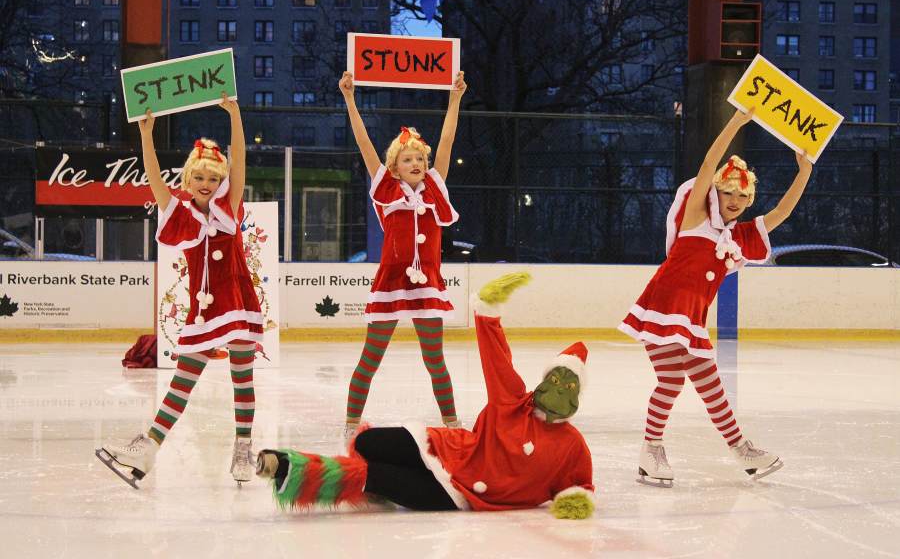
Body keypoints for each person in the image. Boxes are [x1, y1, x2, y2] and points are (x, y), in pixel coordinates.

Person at [256, 273, 596, 520]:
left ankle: (291, 469)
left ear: (577, 398)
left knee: (374, 474)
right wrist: (488, 312)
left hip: (455, 494)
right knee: (368, 443)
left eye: (569, 386)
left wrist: (575, 498)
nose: (558, 389)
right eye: (555, 379)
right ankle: (369, 480)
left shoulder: (572, 445)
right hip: (448, 449)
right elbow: (497, 359)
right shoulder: (514, 402)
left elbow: (581, 484)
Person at [618, 106, 813, 487]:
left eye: (743, 194)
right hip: (662, 309)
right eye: (728, 192)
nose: (736, 199)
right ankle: (661, 450)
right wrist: (737, 122)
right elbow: (709, 163)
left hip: (691, 320)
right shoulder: (696, 218)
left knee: (704, 385)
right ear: (715, 193)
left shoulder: (739, 240)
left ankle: (731, 450)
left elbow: (782, 212)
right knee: (675, 381)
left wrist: (804, 171)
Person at [96, 94, 261, 489]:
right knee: (182, 381)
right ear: (188, 180)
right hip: (204, 311)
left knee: (243, 377)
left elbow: (239, 158)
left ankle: (242, 449)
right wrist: (147, 136)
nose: (207, 184)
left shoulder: (229, 207)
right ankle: (149, 448)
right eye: (200, 178)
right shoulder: (181, 215)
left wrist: (236, 115)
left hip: (236, 302)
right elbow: (154, 179)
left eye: (213, 178)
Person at [338, 70, 467, 436]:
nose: (417, 164)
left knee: (435, 361)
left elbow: (446, 140)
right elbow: (363, 143)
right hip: (392, 284)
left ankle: (452, 424)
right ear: (395, 166)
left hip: (427, 285)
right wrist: (350, 99)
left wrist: (454, 100)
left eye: (420, 161)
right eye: (409, 160)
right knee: (370, 360)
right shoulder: (386, 189)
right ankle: (350, 425)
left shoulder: (434, 190)